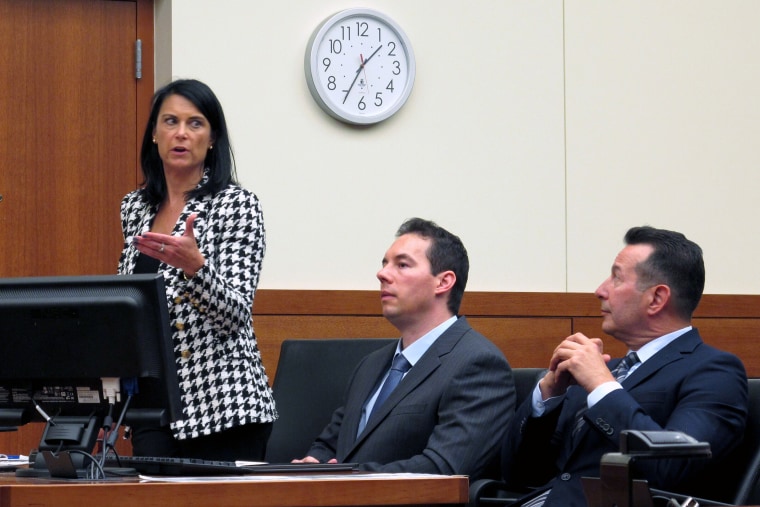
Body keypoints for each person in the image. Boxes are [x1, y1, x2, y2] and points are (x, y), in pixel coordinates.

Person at [500, 226, 748, 506]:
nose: (600, 291)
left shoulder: (715, 372)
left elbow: (673, 467)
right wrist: (547, 396)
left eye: (616, 278)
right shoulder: (603, 372)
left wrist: (601, 386)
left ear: (656, 298)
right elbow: (517, 474)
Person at [117, 78, 276, 461]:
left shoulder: (236, 205)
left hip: (224, 409)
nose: (181, 134)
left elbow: (235, 315)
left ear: (213, 137)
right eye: (170, 121)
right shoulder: (135, 208)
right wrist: (114, 398)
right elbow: (130, 311)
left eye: (195, 123)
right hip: (154, 407)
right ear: (154, 134)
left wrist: (196, 269)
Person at [293, 217, 515, 479]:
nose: (382, 274)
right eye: (385, 264)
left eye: (402, 265)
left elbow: (443, 470)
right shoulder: (371, 364)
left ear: (443, 282)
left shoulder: (478, 364)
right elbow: (330, 444)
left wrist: (344, 477)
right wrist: (312, 466)